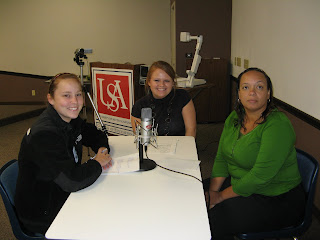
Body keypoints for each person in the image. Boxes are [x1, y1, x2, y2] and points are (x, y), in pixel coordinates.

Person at [206, 68, 305, 240]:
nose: (252, 92)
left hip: (276, 198)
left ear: (268, 94)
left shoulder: (277, 125)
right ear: (238, 93)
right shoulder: (234, 118)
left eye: (259, 87)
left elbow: (259, 177)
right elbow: (222, 158)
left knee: (209, 222)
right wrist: (212, 192)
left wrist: (220, 196)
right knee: (193, 195)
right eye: (245, 87)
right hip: (242, 183)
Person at [15, 73, 112, 235]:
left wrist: (102, 149)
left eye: (78, 95)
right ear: (51, 99)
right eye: (66, 96)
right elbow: (71, 182)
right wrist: (97, 163)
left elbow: (95, 135)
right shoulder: (44, 134)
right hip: (42, 213)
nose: (74, 102)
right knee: (104, 223)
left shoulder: (69, 117)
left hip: (60, 192)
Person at [131, 60, 196, 137]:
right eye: (157, 80)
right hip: (151, 148)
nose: (161, 85)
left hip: (180, 146)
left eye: (166, 81)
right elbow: (141, 138)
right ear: (149, 82)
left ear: (173, 83)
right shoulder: (139, 106)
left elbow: (191, 130)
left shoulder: (183, 97)